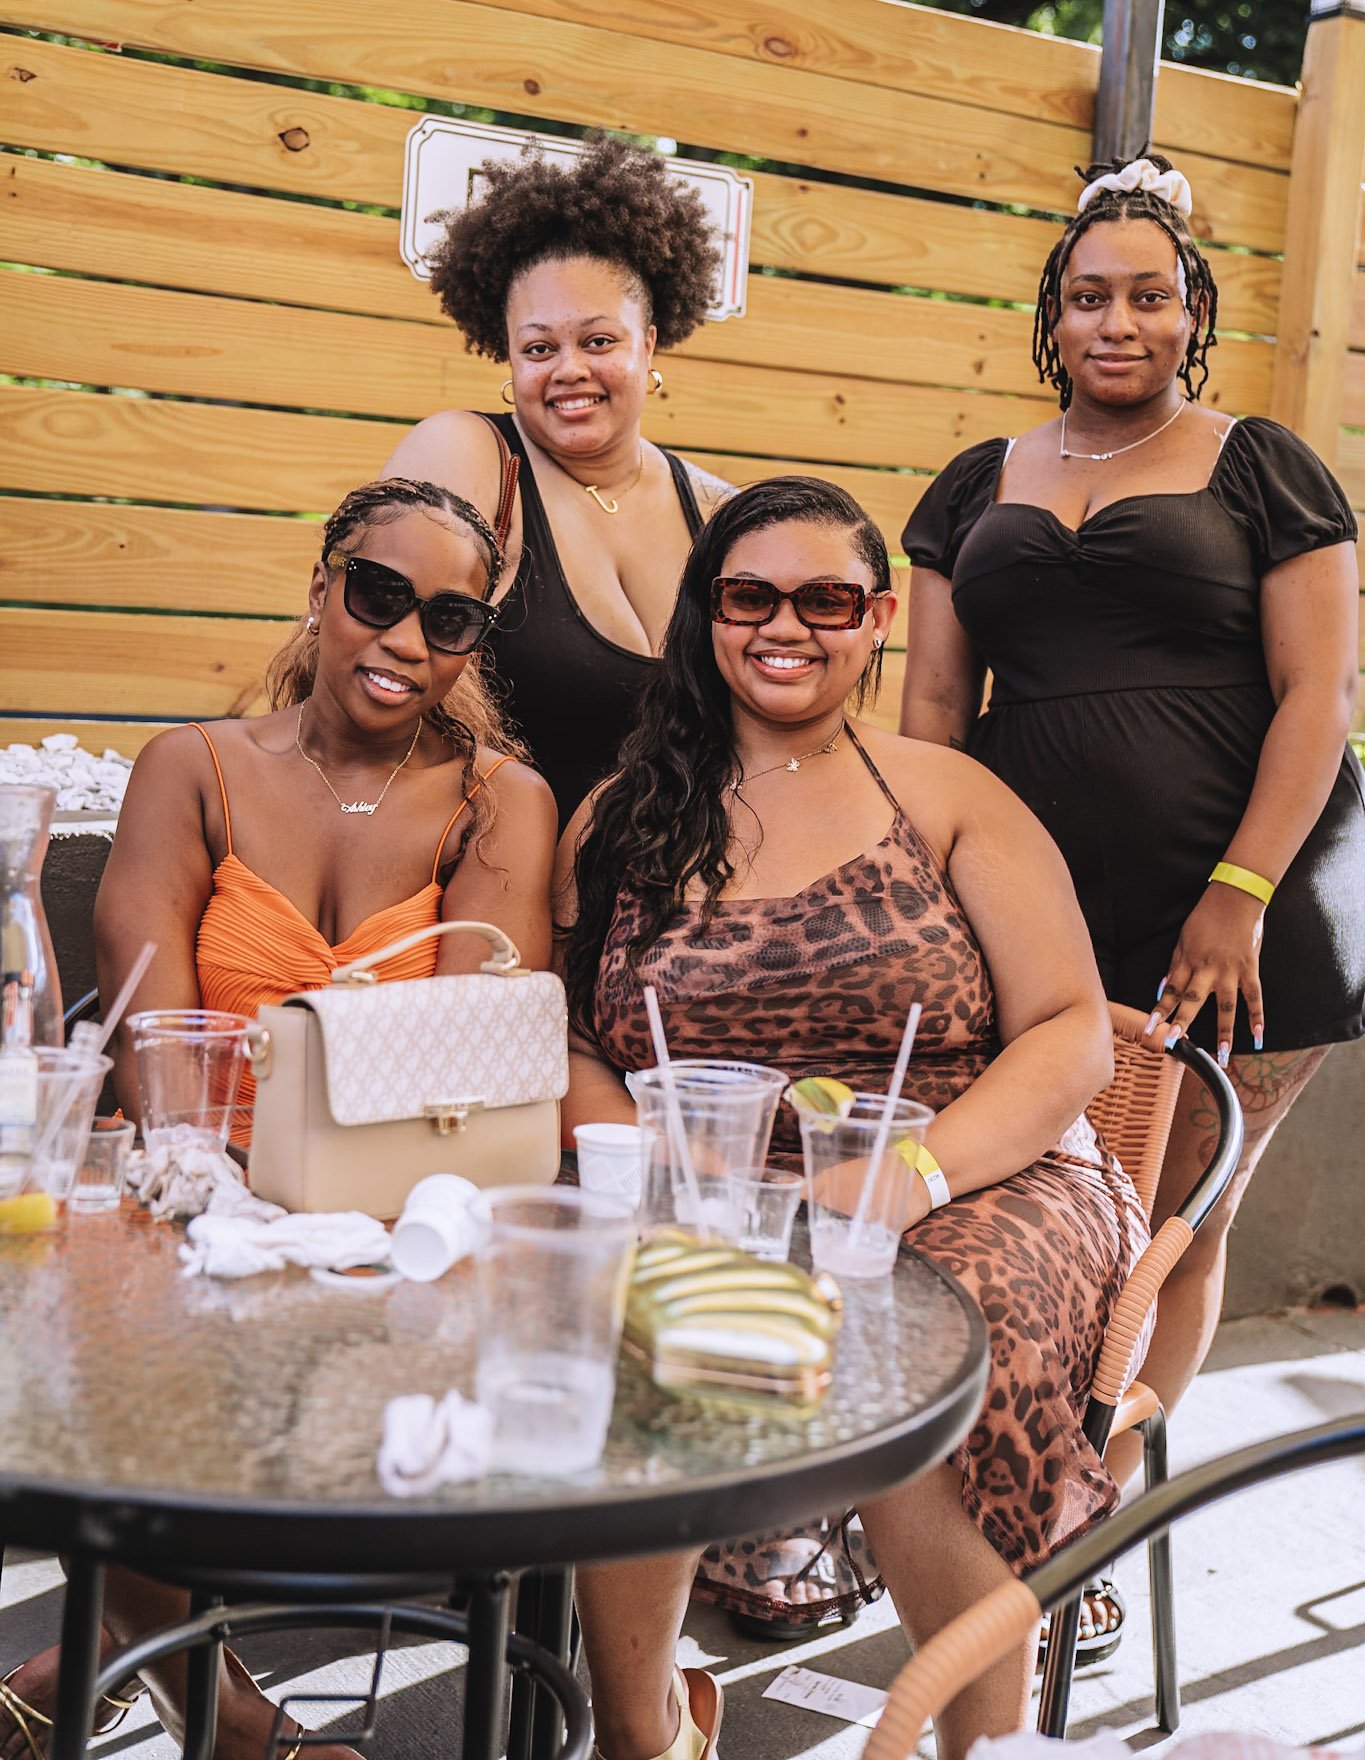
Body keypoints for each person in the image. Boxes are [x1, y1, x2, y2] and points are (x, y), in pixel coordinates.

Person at [556, 476, 1150, 1760]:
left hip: (981, 1166)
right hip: (719, 1179)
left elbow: (1070, 1029)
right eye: (749, 595)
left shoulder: (943, 791)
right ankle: (643, 1734)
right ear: (706, 614)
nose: (787, 625)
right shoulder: (622, 816)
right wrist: (643, 1168)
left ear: (878, 615)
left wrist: (912, 1175)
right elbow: (572, 1037)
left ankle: (974, 1743)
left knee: (916, 1313)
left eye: (825, 597)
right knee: (631, 1310)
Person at [0, 476, 557, 1760]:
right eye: (377, 593)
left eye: (451, 618)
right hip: (201, 1189)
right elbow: (155, 1031)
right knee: (110, 1354)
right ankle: (235, 1721)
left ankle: (90, 1667)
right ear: (321, 588)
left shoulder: (497, 797)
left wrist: (323, 1217)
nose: (406, 639)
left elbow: (465, 1063)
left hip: (406, 1210)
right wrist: (216, 1193)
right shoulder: (194, 767)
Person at [899, 153, 1365, 1540]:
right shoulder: (973, 482)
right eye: (1089, 297)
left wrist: (1233, 896)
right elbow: (932, 709)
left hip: (1250, 906)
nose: (1118, 323)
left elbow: (1317, 698)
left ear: (1191, 313)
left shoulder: (1264, 469)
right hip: (1037, 914)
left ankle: (1079, 1523)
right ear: (1051, 318)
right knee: (1029, 1222)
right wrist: (923, 893)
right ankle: (984, 1493)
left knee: (1163, 1228)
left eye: (1148, 297)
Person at [383, 131, 732, 826]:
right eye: (539, 348)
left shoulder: (719, 510)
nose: (568, 368)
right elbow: (373, 673)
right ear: (508, 359)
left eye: (598, 341)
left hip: (674, 900)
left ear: (650, 342)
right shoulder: (468, 457)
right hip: (491, 882)